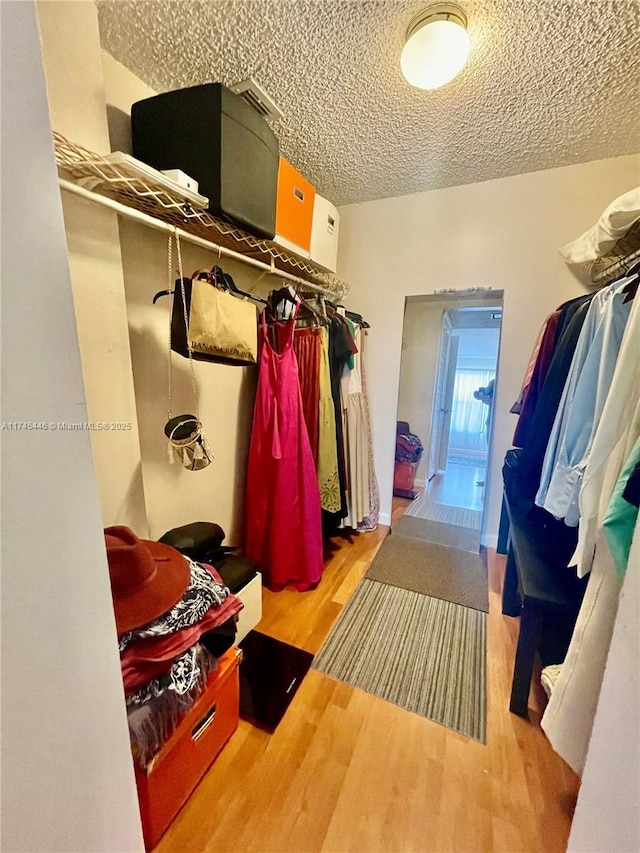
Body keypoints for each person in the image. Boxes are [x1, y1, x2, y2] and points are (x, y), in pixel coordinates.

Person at [473, 378, 495, 486]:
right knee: (490, 452)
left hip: (493, 423)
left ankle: (488, 481)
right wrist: (482, 397)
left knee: (491, 452)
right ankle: (487, 480)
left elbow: (494, 402)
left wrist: (482, 398)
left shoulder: (494, 383)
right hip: (490, 422)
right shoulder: (493, 383)